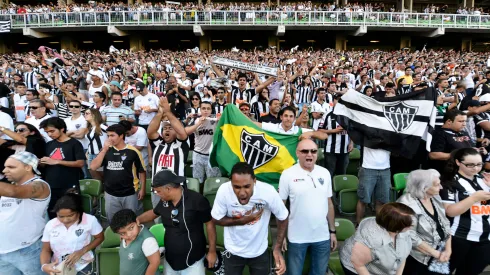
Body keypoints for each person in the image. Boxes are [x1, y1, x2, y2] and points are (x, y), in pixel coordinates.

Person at [211, 162, 288, 275]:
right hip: (233, 251)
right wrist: (243, 220)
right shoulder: (224, 191)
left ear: (254, 181)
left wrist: (277, 248)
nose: (242, 193)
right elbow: (216, 219)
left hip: (259, 252)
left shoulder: (268, 192)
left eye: (247, 186)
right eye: (236, 187)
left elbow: (283, 217)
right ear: (230, 183)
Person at [137, 169, 218, 274]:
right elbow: (153, 213)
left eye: (158, 191)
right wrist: (137, 220)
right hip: (170, 260)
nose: (157, 194)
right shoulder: (164, 202)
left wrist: (212, 251)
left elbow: (210, 224)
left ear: (168, 189)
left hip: (193, 262)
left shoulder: (197, 200)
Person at [279, 139, 337, 274]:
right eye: (304, 151)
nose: (309, 154)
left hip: (322, 237)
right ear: (297, 153)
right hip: (296, 237)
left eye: (313, 151)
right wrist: (281, 236)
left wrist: (332, 232)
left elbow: (329, 203)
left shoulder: (325, 173)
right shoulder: (287, 174)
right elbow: (281, 208)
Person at [440, 148, 490, 275]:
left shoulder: (484, 179)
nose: (476, 168)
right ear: (458, 162)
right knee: (442, 272)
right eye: (470, 165)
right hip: (459, 236)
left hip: (485, 237)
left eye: (479, 164)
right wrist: (473, 198)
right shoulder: (449, 181)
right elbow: (449, 211)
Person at [0, 152, 51, 275]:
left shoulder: (40, 186)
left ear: (28, 167)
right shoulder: (10, 186)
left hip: (28, 250)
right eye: (5, 166)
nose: (4, 170)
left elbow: (14, 192)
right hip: (3, 251)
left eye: (11, 167)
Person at [397, 169, 452, 275]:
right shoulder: (406, 204)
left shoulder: (435, 197)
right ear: (423, 187)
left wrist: (448, 249)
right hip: (418, 258)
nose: (441, 187)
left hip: (439, 252)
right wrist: (435, 253)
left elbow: (445, 223)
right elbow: (409, 236)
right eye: (437, 185)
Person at [90, 124, 146, 222]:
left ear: (121, 136)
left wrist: (142, 189)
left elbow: (141, 171)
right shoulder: (106, 151)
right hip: (110, 193)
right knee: (113, 222)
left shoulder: (133, 151)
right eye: (108, 136)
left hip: (130, 192)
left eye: (112, 135)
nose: (109, 138)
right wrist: (104, 150)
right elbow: (93, 167)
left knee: (131, 221)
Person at [340, 203, 415, 275]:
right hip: (357, 269)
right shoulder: (372, 239)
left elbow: (402, 255)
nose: (412, 225)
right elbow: (357, 264)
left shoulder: (404, 232)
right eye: (408, 224)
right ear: (396, 227)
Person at [40, 193, 104, 275]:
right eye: (61, 216)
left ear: (78, 211)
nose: (65, 220)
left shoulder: (89, 220)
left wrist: (82, 251)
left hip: (83, 267)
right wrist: (44, 265)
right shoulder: (50, 225)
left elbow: (100, 238)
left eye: (70, 215)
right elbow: (46, 250)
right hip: (60, 269)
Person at [147, 97, 189, 206]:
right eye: (165, 128)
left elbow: (182, 133)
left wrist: (168, 112)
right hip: (157, 189)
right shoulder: (158, 144)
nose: (167, 129)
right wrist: (160, 112)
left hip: (175, 190)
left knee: (176, 219)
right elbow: (151, 132)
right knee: (158, 218)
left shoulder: (180, 145)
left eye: (170, 128)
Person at [40, 117, 85, 218]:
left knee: (72, 213)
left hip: (69, 185)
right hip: (51, 185)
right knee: (53, 214)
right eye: (47, 132)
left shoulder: (75, 143)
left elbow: (80, 163)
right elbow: (46, 163)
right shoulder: (49, 144)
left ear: (62, 129)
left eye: (52, 131)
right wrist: (41, 162)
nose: (50, 134)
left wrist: (57, 161)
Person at [110, 209, 160, 275]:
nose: (129, 234)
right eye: (122, 233)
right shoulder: (123, 238)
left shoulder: (148, 240)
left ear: (137, 221)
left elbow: (155, 263)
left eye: (131, 228)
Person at [185, 101, 222, 185]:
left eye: (208, 109)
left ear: (211, 110)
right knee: (198, 181)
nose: (206, 111)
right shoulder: (195, 120)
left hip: (212, 155)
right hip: (198, 154)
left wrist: (220, 120)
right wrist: (198, 124)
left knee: (212, 182)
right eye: (203, 108)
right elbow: (186, 131)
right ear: (200, 110)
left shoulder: (216, 120)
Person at [429, 109, 475, 173]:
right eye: (461, 121)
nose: (464, 124)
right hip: (447, 173)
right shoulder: (439, 134)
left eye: (465, 121)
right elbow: (433, 155)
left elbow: (470, 148)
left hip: (466, 170)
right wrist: (458, 154)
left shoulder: (463, 133)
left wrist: (479, 150)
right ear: (449, 121)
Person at [320, 95, 353, 178]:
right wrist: (333, 131)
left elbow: (352, 131)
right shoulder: (327, 115)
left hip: (345, 150)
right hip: (330, 150)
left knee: (342, 174)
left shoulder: (348, 116)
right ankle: (329, 191)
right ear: (333, 101)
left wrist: (351, 143)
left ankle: (339, 191)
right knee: (329, 174)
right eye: (337, 100)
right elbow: (320, 130)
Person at [85, 108, 107, 181]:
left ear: (94, 115)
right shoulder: (90, 127)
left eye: (87, 113)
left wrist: (106, 147)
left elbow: (113, 133)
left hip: (99, 154)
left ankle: (105, 190)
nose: (85, 115)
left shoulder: (101, 126)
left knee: (101, 174)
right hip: (91, 154)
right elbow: (91, 141)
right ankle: (100, 190)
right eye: (85, 113)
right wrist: (88, 151)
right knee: (93, 175)